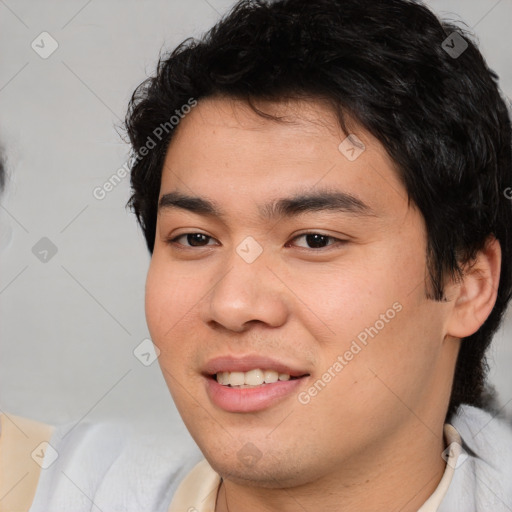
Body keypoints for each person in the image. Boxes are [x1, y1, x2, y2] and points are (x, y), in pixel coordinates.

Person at [27, 0, 512, 510]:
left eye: (315, 240)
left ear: (468, 285)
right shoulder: (41, 486)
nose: (232, 305)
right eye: (195, 238)